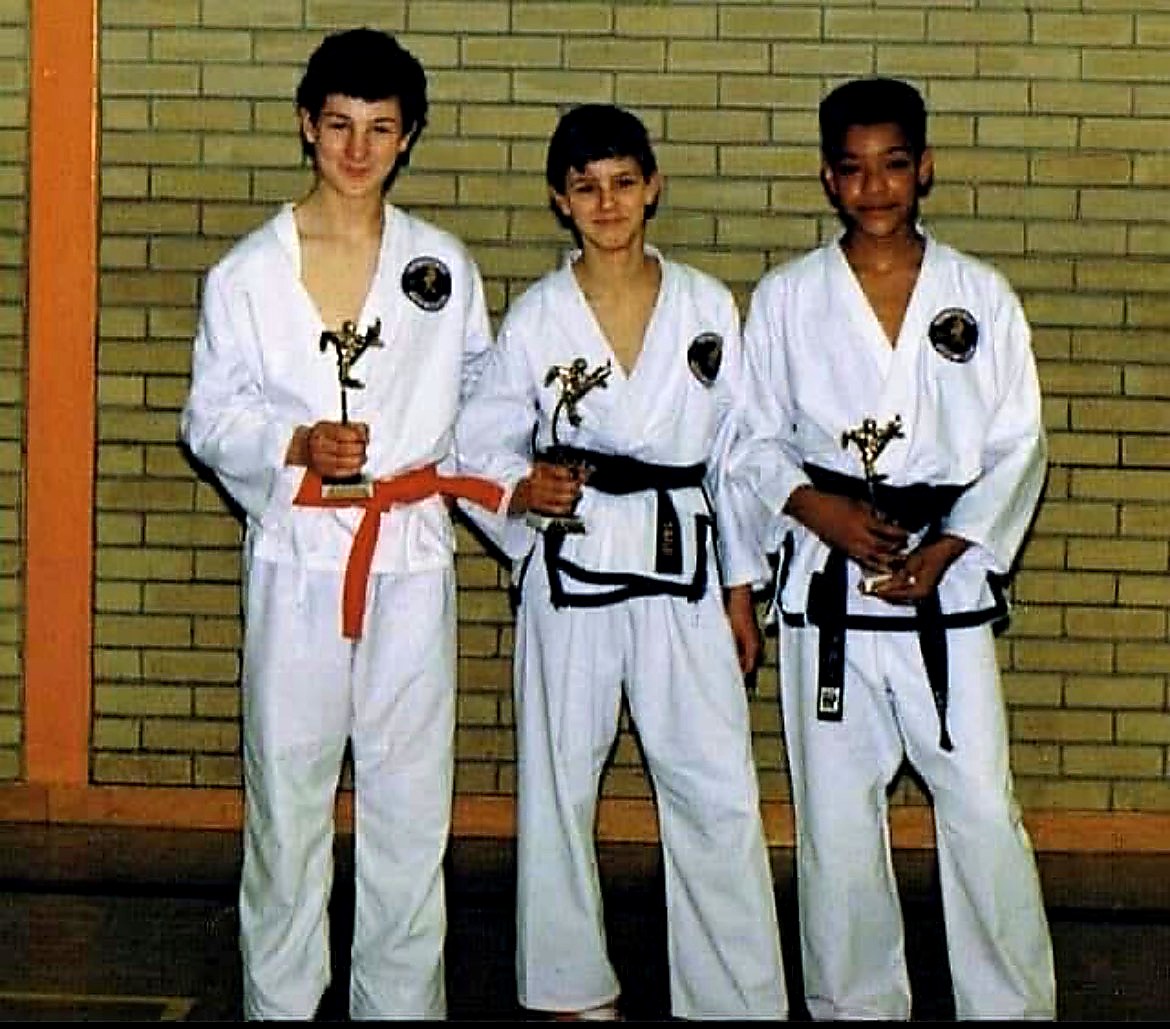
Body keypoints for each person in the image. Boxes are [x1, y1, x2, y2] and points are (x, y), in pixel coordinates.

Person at [179, 28, 501, 1020]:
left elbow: (484, 404)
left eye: (381, 129)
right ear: (305, 127)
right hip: (299, 558)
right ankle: (280, 1006)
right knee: (288, 800)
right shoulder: (247, 274)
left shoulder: (440, 267)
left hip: (409, 554)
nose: (358, 149)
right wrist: (294, 442)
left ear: (408, 138)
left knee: (411, 807)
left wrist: (519, 493)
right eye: (339, 126)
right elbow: (208, 417)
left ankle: (399, 1007)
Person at [454, 103, 788, 1021]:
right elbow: (476, 444)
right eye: (586, 187)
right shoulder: (538, 315)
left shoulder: (706, 305)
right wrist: (522, 490)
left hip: (685, 562)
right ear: (559, 200)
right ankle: (569, 988)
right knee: (559, 778)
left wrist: (742, 587)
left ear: (653, 187)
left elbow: (738, 455)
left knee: (714, 781)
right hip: (573, 561)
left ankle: (733, 997)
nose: (607, 204)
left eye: (623, 183)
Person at [734, 76, 1056, 1019]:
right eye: (853, 169)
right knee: (836, 816)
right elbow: (750, 439)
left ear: (925, 169)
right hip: (828, 578)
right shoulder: (788, 298)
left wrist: (952, 544)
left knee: (982, 806)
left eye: (894, 165)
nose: (874, 187)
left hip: (943, 582)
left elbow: (1019, 442)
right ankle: (855, 1005)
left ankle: (1010, 1007)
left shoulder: (979, 296)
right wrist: (815, 510)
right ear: (827, 178)